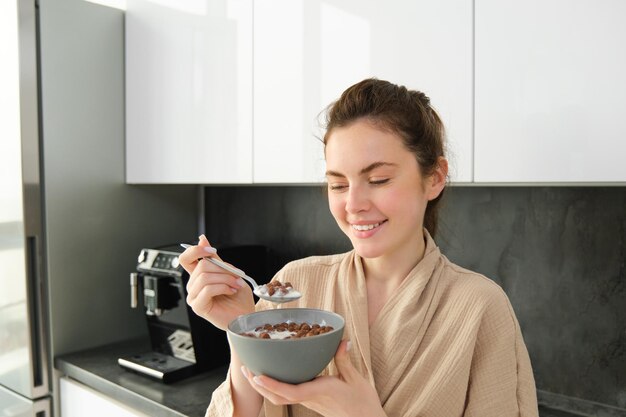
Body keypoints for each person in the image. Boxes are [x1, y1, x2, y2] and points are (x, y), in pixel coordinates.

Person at [179, 78, 539, 417]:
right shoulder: (295, 285)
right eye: (337, 185)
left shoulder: (480, 308)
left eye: (378, 180)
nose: (353, 204)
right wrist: (244, 333)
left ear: (435, 178)